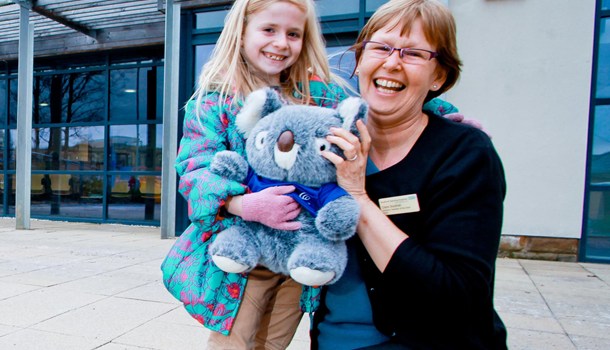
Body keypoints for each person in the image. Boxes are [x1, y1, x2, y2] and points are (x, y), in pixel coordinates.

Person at [313, 0, 508, 349]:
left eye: (413, 53)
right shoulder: (329, 144)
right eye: (382, 48)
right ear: (359, 61)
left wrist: (358, 197)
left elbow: (457, 294)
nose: (392, 63)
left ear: (440, 76)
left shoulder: (464, 154)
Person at [160, 1, 348, 349]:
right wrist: (243, 204)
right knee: (235, 342)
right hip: (247, 253)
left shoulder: (320, 95)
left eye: (293, 34)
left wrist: (439, 113)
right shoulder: (215, 101)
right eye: (269, 30)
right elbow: (194, 168)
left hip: (299, 252)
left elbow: (377, 114)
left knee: (275, 342)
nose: (281, 43)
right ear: (242, 31)